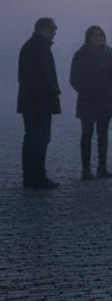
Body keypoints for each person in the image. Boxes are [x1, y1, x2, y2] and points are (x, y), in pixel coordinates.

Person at [17, 17, 62, 189]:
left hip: (32, 102)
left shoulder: (32, 46)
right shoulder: (38, 48)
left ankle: (32, 177)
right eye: (53, 29)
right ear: (44, 29)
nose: (54, 33)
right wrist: (52, 91)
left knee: (33, 139)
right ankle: (37, 178)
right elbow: (41, 77)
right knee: (39, 139)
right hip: (39, 102)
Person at [69, 26, 112, 180]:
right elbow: (74, 78)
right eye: (94, 36)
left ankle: (102, 167)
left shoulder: (109, 53)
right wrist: (85, 89)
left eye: (100, 35)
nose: (97, 38)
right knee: (87, 134)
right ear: (88, 37)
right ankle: (86, 169)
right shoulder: (80, 54)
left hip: (105, 99)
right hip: (87, 100)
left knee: (103, 135)